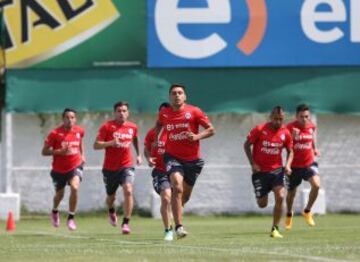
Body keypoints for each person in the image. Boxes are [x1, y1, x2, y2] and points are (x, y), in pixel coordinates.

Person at [156, 84, 215, 239]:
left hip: (192, 161)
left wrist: (196, 137)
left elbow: (211, 129)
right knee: (177, 186)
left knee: (184, 197)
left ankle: (177, 210)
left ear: (185, 96)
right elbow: (158, 125)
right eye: (174, 93)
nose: (177, 95)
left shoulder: (194, 111)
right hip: (172, 157)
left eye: (180, 93)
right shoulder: (164, 113)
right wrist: (157, 139)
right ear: (169, 97)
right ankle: (179, 227)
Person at [244, 106, 293, 238]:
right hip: (260, 172)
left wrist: (287, 165)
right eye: (275, 119)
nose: (278, 122)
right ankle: (262, 193)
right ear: (270, 117)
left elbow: (290, 150)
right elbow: (246, 145)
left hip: (277, 170)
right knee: (262, 204)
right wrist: (252, 163)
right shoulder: (260, 129)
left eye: (281, 119)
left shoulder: (286, 133)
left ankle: (275, 228)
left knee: (281, 195)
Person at [93, 101, 142, 234]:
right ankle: (111, 210)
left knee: (128, 190)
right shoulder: (107, 127)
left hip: (126, 166)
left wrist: (139, 155)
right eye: (119, 111)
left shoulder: (133, 127)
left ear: (128, 112)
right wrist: (111, 143)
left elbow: (135, 139)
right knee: (111, 198)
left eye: (124, 111)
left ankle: (126, 223)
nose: (122, 113)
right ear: (114, 113)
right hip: (110, 168)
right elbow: (96, 145)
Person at [42, 108, 85, 231]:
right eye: (67, 117)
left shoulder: (80, 131)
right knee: (59, 195)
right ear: (63, 119)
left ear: (75, 119)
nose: (70, 120)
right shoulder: (55, 133)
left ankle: (71, 217)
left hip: (75, 166)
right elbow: (44, 152)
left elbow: (80, 142)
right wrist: (59, 152)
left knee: (75, 187)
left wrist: (83, 155)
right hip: (59, 170)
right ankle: (55, 211)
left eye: (72, 117)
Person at [285, 104, 321, 230]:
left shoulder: (311, 126)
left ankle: (307, 211)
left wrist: (315, 149)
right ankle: (289, 214)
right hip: (294, 166)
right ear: (296, 116)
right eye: (301, 117)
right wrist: (292, 139)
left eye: (306, 116)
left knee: (316, 185)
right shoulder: (289, 127)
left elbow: (311, 138)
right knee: (291, 194)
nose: (304, 119)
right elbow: (285, 146)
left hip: (308, 163)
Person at [144, 102, 173, 241]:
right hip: (160, 171)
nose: (164, 115)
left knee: (175, 200)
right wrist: (149, 158)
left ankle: (176, 225)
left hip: (176, 170)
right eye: (162, 113)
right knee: (166, 198)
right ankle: (168, 230)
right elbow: (146, 149)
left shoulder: (176, 131)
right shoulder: (152, 133)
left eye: (167, 112)